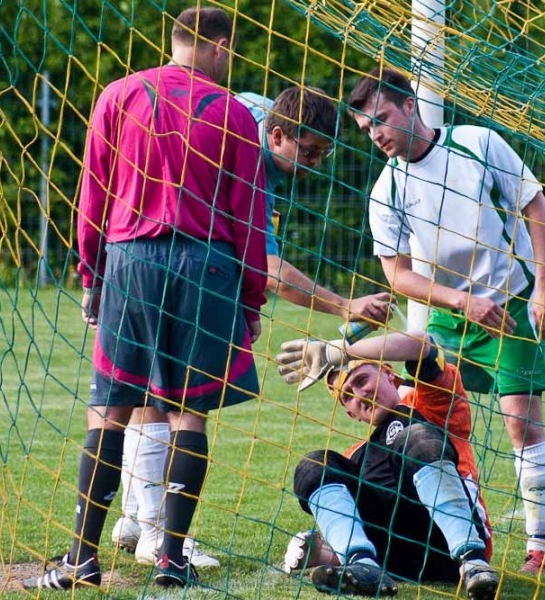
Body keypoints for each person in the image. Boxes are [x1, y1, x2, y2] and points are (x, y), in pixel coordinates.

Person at [23, 7, 269, 590]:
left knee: (110, 409)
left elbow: (93, 195)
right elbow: (248, 218)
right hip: (206, 265)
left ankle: (82, 560)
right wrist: (251, 300)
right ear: (220, 45)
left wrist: (93, 277)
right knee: (189, 412)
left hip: (130, 260)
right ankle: (171, 559)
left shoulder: (119, 94)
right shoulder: (234, 113)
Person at [109, 87, 393, 568]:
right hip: (179, 265)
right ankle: (158, 536)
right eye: (308, 152)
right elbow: (270, 266)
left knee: (144, 394)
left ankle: (136, 518)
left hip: (130, 252)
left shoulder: (250, 108)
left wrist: (245, 304)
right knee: (177, 401)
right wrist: (345, 305)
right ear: (277, 134)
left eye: (323, 154)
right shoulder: (253, 155)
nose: (315, 164)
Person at [347, 67, 545, 574]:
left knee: (520, 424)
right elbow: (398, 275)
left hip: (510, 307)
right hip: (447, 320)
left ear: (409, 106)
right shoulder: (386, 190)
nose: (376, 135)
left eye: (380, 120)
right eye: (365, 129)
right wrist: (459, 301)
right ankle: (447, 539)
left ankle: (539, 547)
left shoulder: (478, 144)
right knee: (423, 430)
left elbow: (537, 210)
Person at [275, 331, 499, 599]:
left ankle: (473, 563)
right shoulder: (356, 456)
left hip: (448, 551)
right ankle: (361, 566)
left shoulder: (434, 406)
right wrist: (322, 553)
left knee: (415, 437)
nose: (361, 394)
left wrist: (340, 352)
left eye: (362, 380)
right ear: (351, 414)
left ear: (390, 374)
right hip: (394, 561)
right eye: (348, 396)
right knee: (314, 465)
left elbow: (420, 344)